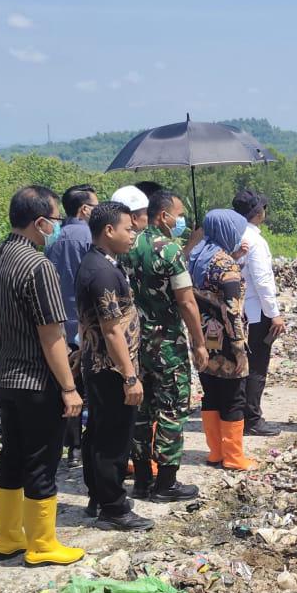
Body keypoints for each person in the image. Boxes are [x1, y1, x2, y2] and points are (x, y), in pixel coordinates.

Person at [0, 185, 84, 567]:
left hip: (3, 376)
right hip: (35, 380)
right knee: (42, 458)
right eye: (55, 220)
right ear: (40, 222)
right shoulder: (39, 266)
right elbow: (51, 333)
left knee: (12, 455)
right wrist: (69, 388)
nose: (56, 226)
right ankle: (42, 544)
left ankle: (9, 538)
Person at [122, 189, 208, 501]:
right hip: (167, 343)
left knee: (141, 411)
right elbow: (186, 302)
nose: (181, 219)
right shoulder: (169, 250)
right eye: (179, 214)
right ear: (164, 216)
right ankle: (167, 482)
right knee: (172, 408)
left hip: (133, 342)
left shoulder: (127, 246)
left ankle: (143, 479)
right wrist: (199, 343)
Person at [76, 201, 154, 531]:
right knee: (113, 439)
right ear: (109, 231)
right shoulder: (103, 271)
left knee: (98, 433)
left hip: (99, 366)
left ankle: (99, 495)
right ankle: (114, 506)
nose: (133, 234)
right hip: (111, 370)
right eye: (128, 228)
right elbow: (111, 329)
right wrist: (130, 376)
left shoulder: (99, 263)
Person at [188, 209, 257, 470]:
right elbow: (232, 311)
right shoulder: (225, 265)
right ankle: (234, 456)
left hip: (202, 337)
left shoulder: (196, 257)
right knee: (233, 396)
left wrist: (234, 258)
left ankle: (216, 452)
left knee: (211, 393)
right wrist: (239, 348)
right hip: (226, 340)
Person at [45, 183, 98, 469]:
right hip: (86, 325)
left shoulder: (51, 239)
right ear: (85, 209)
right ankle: (92, 447)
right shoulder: (89, 237)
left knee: (69, 387)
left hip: (59, 327)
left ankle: (73, 449)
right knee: (92, 389)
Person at [232, 188, 285, 437]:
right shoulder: (255, 241)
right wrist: (274, 313)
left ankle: (239, 413)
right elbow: (263, 280)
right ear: (257, 213)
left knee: (241, 364)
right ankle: (252, 417)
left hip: (238, 312)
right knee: (256, 366)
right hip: (256, 313)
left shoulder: (233, 235)